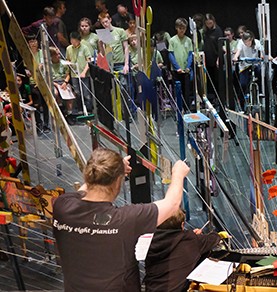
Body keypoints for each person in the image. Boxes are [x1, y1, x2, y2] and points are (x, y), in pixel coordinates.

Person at [53, 148, 189, 291]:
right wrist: (178, 174)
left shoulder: (62, 206)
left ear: (87, 175)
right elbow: (172, 204)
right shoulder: (125, 219)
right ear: (118, 181)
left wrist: (113, 170)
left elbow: (83, 191)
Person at [144, 209, 222, 292]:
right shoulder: (191, 241)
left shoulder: (148, 241)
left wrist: (190, 236)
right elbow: (214, 239)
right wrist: (198, 237)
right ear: (182, 224)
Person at [169, 18, 193, 112]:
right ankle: (179, 109)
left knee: (187, 90)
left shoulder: (188, 40)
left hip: (186, 70)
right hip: (177, 70)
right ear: (176, 28)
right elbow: (171, 55)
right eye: (180, 28)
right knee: (178, 90)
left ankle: (187, 108)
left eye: (183, 28)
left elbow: (190, 54)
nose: (182, 30)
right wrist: (177, 67)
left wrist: (188, 67)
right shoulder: (172, 40)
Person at [65, 31, 93, 114]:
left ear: (79, 40)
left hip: (84, 74)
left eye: (75, 40)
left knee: (86, 92)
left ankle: (89, 110)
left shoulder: (84, 48)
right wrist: (68, 65)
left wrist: (84, 72)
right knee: (77, 92)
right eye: (72, 40)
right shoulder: (68, 48)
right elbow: (68, 59)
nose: (73, 42)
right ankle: (80, 109)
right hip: (74, 74)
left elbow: (89, 61)